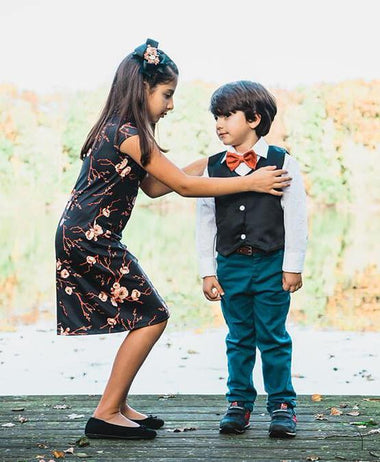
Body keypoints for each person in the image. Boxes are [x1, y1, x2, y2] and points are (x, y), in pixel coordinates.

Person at [55, 40, 292, 440]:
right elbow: (182, 187)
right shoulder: (129, 132)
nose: (170, 105)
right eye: (166, 95)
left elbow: (153, 186)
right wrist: (251, 181)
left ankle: (118, 405)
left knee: (146, 314)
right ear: (143, 89)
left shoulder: (116, 129)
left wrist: (213, 162)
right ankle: (106, 413)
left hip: (85, 235)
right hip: (90, 238)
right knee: (153, 315)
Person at [196, 80, 308, 438]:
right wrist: (207, 271)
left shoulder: (281, 160)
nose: (219, 123)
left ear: (255, 119)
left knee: (273, 336)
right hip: (230, 265)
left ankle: (281, 405)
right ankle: (239, 403)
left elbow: (296, 216)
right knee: (238, 336)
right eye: (216, 116)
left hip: (273, 264)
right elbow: (205, 222)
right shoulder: (212, 167)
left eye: (228, 115)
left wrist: (293, 265)